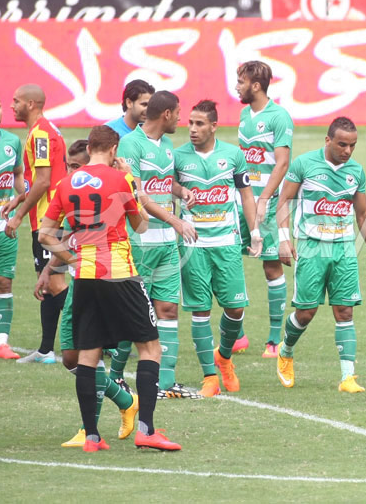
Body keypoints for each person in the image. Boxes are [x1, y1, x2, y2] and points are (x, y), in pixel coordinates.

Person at [39, 125, 180, 452]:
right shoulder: (120, 180)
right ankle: (146, 430)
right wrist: (135, 183)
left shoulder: (65, 183)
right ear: (114, 149)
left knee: (88, 354)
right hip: (119, 273)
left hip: (85, 275)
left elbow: (45, 235)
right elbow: (141, 224)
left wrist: (73, 260)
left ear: (89, 148)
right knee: (150, 348)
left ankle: (91, 437)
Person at [35, 139, 139, 447]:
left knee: (88, 353)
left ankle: (88, 429)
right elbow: (67, 237)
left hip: (103, 280)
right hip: (79, 281)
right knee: (70, 358)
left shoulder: (107, 194)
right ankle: (124, 399)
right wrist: (50, 269)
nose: (73, 174)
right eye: (69, 167)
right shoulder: (72, 195)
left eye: (78, 167)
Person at [275, 117, 366, 393]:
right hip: (311, 246)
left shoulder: (356, 172)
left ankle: (348, 377)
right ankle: (285, 350)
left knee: (344, 310)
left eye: (353, 145)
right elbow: (283, 201)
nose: (347, 150)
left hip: (343, 247)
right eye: (342, 144)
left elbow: (362, 213)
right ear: (328, 140)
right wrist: (284, 240)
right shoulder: (304, 165)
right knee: (306, 313)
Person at [174, 100, 261, 397]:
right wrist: (181, 190)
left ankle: (223, 356)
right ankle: (210, 377)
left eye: (199, 124)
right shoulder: (177, 157)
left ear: (214, 126)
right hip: (193, 244)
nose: (193, 129)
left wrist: (256, 233)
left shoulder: (233, 155)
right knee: (200, 310)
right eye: (190, 123)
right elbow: (164, 184)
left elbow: (247, 196)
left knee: (235, 309)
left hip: (227, 242)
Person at [116, 90, 196, 397]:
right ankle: (118, 376)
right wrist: (176, 221)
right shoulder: (130, 145)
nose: (181, 119)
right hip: (140, 241)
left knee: (167, 308)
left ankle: (165, 382)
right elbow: (139, 195)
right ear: (166, 115)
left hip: (165, 245)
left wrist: (180, 191)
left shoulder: (166, 145)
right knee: (135, 311)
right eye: (178, 113)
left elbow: (160, 181)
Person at [2, 84, 68, 364]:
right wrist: (19, 200)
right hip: (48, 215)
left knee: (56, 282)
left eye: (15, 101)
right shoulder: (44, 130)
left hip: (49, 219)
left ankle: (104, 338)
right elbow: (38, 179)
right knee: (49, 282)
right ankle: (45, 349)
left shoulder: (40, 133)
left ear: (30, 104)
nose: (11, 106)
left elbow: (43, 180)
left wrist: (18, 216)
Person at [234, 60, 294, 357]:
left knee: (271, 266)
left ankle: (273, 339)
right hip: (240, 201)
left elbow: (282, 163)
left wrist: (265, 199)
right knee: (227, 261)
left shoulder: (279, 117)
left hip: (267, 205)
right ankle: (237, 334)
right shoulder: (244, 115)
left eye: (241, 81)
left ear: (256, 85)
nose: (237, 86)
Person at [0, 90, 25, 359]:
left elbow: (18, 176)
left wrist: (22, 196)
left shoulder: (13, 141)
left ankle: (2, 343)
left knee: (3, 283)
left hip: (2, 228)